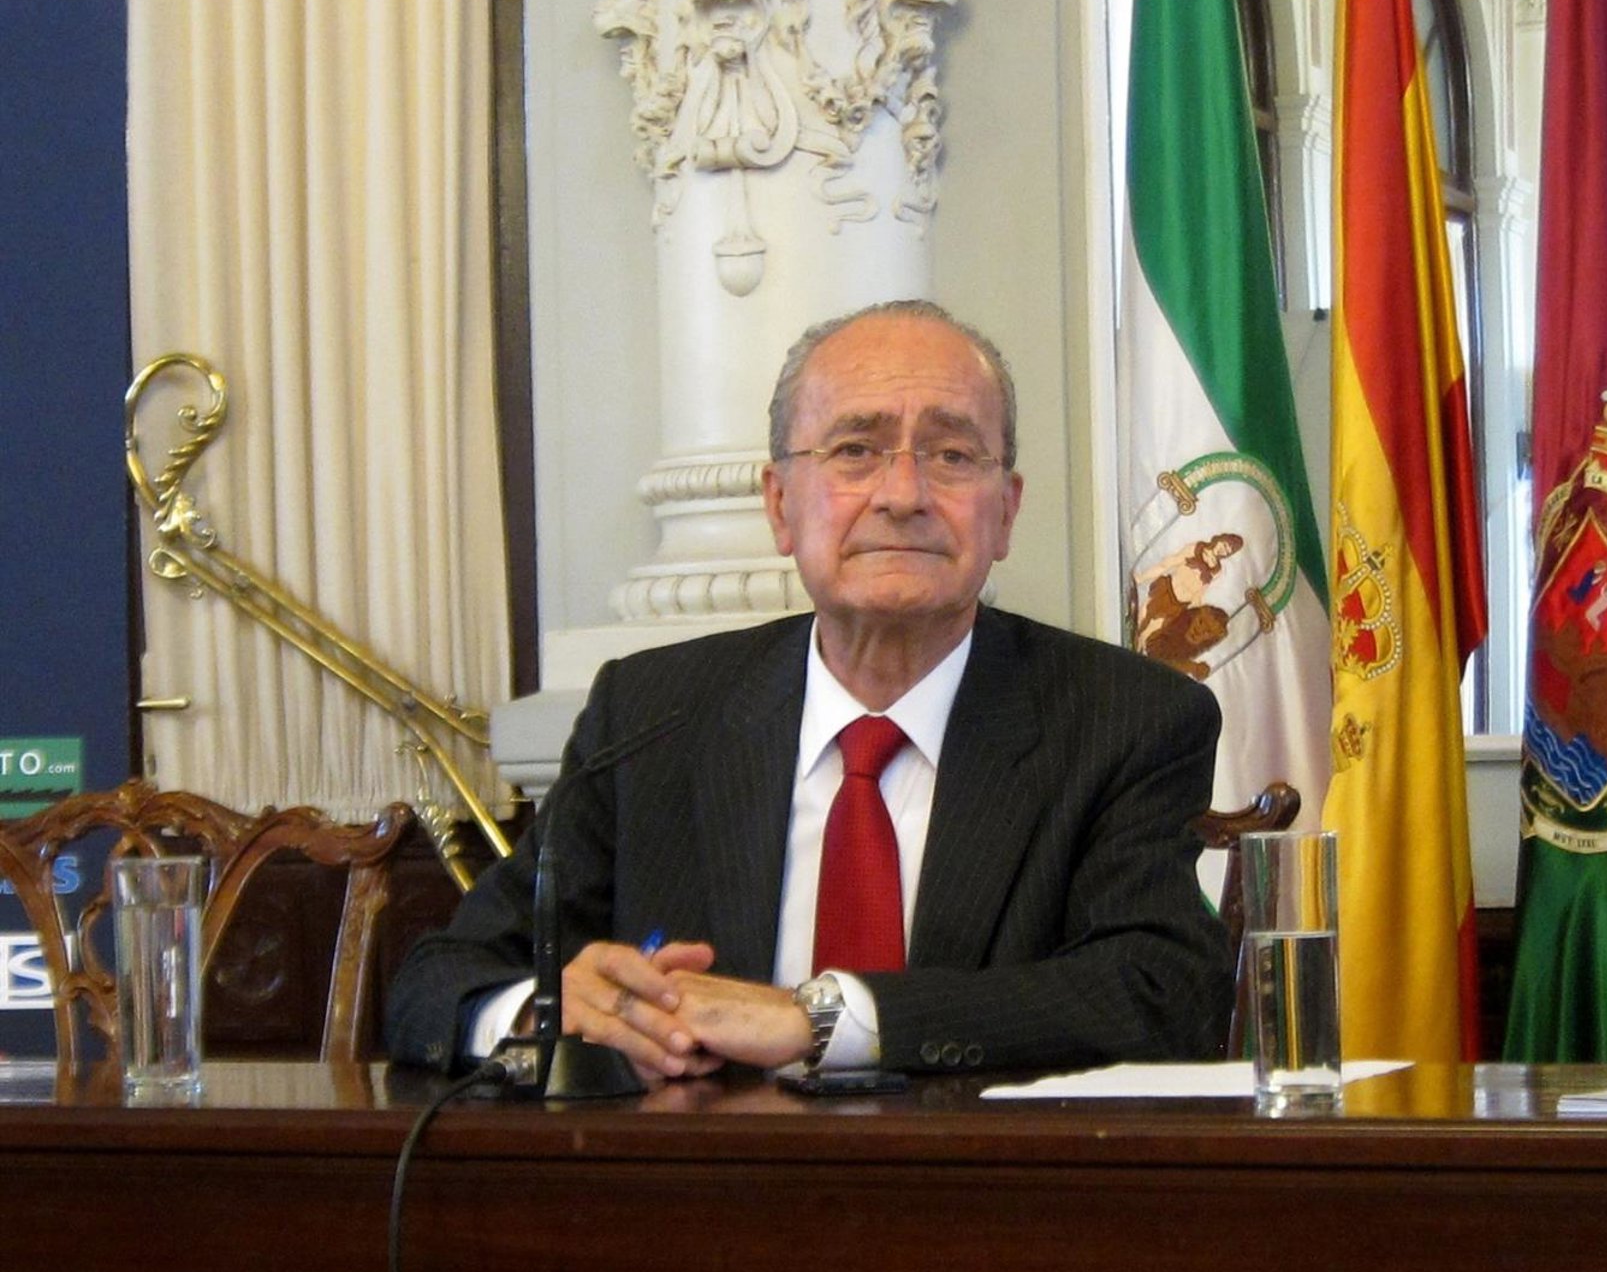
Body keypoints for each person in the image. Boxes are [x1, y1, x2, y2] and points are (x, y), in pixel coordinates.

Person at [386, 300, 1234, 1081]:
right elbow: (437, 983)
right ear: (780, 505)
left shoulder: (1124, 720)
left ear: (1005, 511)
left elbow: (1160, 995)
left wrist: (820, 1018)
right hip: (699, 1185)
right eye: (855, 450)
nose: (903, 495)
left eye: (950, 455)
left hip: (987, 1188)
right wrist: (545, 1011)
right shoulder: (649, 717)